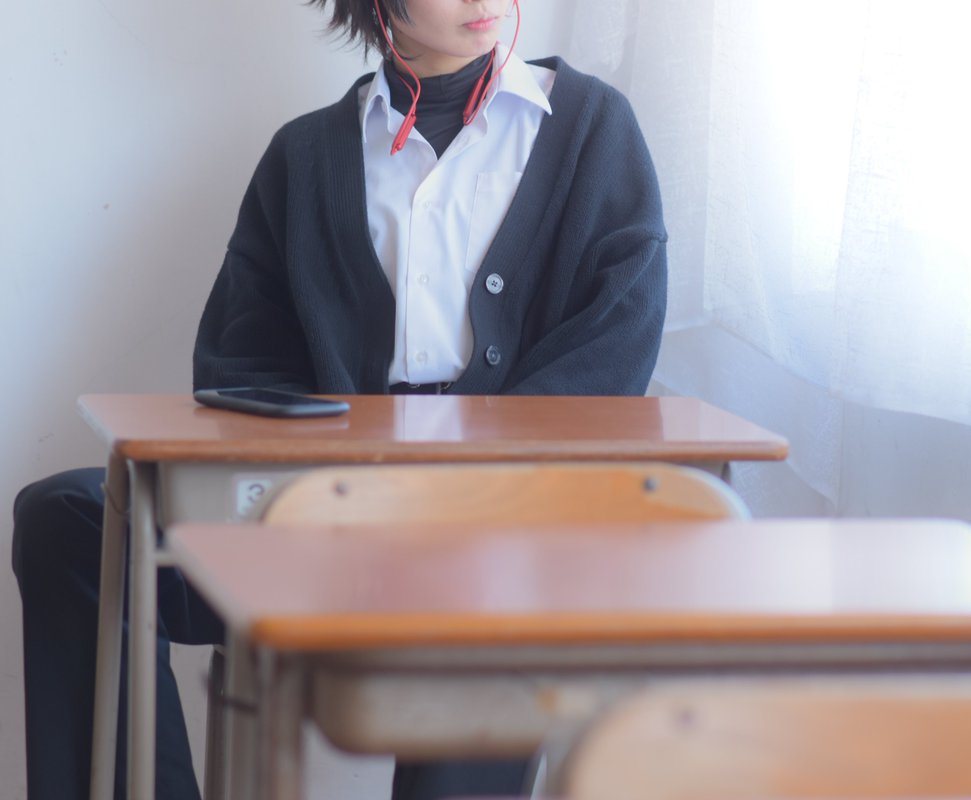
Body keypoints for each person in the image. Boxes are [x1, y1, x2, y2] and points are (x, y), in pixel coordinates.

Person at [10, 0, 668, 797]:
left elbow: (613, 345)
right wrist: (334, 476)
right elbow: (240, 361)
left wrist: (467, 479)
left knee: (488, 584)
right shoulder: (306, 156)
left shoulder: (591, 130)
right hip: (324, 516)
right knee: (71, 518)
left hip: (504, 521)